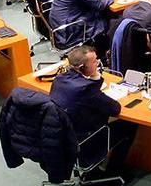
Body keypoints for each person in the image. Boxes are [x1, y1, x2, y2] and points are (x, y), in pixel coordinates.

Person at [50, 45, 137, 177]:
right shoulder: (86, 89)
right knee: (129, 126)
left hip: (61, 137)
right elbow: (115, 108)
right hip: (86, 140)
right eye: (94, 62)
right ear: (82, 67)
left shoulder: (59, 79)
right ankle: (113, 172)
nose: (98, 63)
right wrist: (96, 77)